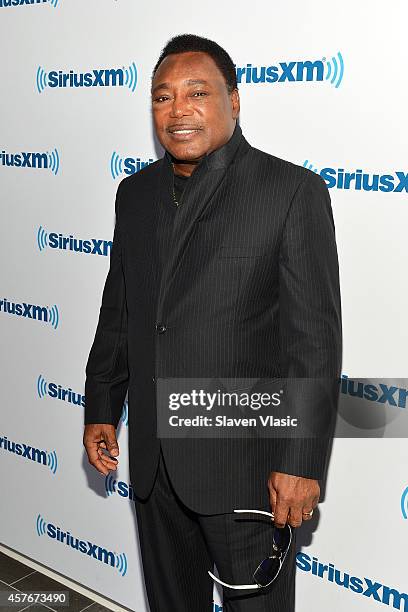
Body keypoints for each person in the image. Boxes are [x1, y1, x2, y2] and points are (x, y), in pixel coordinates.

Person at [83, 34, 342, 612]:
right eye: (162, 97)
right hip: (154, 465)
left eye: (197, 93)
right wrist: (102, 403)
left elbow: (314, 344)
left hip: (246, 469)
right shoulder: (136, 194)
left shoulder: (290, 193)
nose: (178, 110)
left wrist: (300, 463)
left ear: (235, 100)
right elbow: (120, 309)